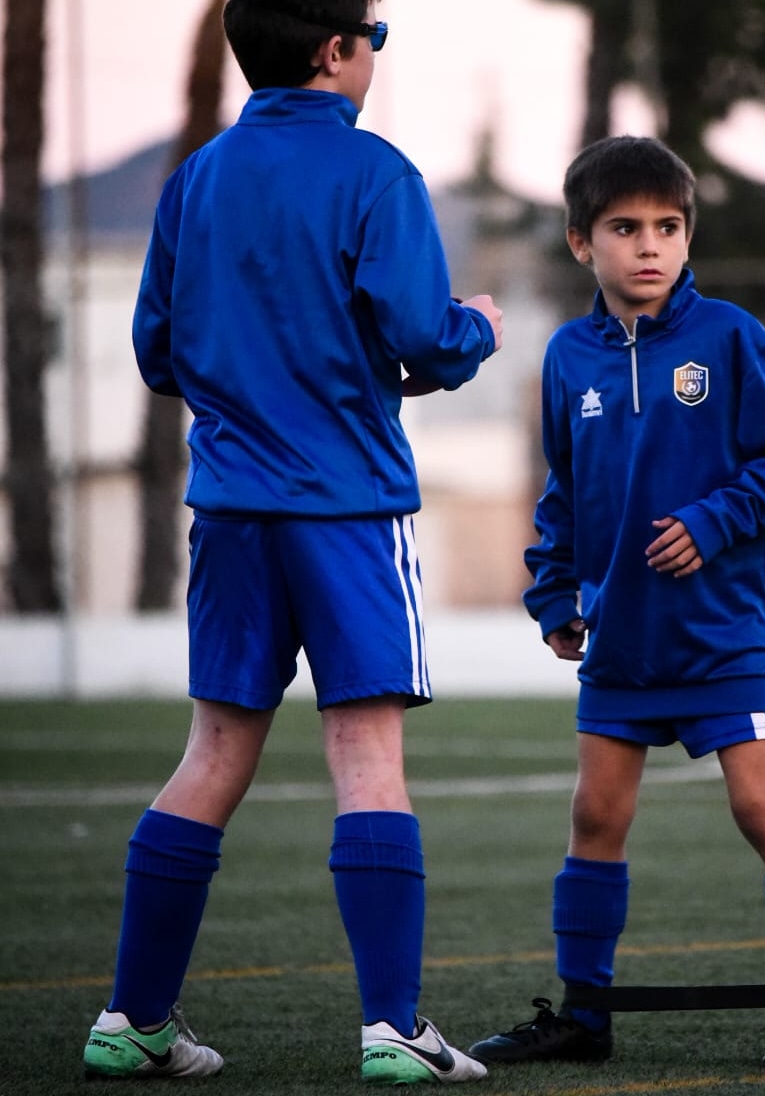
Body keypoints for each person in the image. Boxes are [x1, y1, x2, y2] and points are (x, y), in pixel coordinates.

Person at [81, 0, 499, 1085]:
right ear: (334, 50)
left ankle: (132, 1020)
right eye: (375, 30)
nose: (376, 50)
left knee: (210, 757)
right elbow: (420, 335)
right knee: (365, 758)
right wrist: (479, 331)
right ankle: (395, 1029)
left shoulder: (197, 178)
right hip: (347, 511)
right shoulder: (378, 174)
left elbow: (157, 351)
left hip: (229, 511)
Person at [466, 136, 765, 1071]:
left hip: (722, 634)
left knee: (758, 805)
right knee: (595, 817)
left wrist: (717, 519)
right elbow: (563, 491)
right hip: (622, 640)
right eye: (624, 228)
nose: (649, 245)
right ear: (582, 243)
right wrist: (554, 591)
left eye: (668, 226)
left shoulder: (730, 337)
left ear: (688, 235)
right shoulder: (569, 357)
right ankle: (584, 1014)